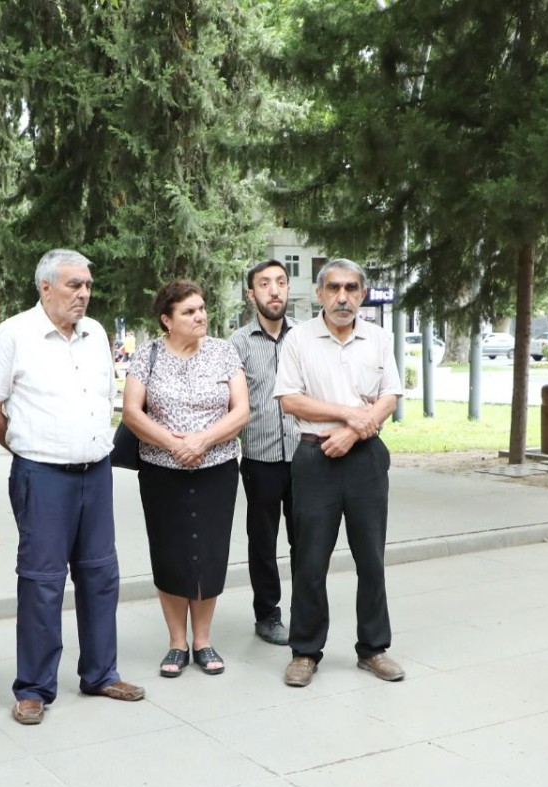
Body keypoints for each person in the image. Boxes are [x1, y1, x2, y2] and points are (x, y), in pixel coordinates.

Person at [0, 249, 145, 724]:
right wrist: (31, 450)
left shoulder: (95, 335)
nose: (84, 294)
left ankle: (100, 673)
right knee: (42, 582)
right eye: (74, 285)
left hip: (95, 474)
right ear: (46, 287)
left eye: (88, 285)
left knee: (100, 575)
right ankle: (33, 688)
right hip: (43, 476)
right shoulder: (12, 335)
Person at [273, 258, 404, 688]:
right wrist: (352, 416)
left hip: (366, 459)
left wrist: (353, 433)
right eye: (333, 288)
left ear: (363, 294)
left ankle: (373, 649)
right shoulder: (298, 341)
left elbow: (390, 395)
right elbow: (290, 400)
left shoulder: (379, 339)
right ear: (319, 294)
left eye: (351, 288)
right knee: (310, 560)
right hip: (315, 460)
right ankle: (305, 651)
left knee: (371, 558)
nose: (342, 296)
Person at [122, 281, 248, 677]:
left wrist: (203, 440)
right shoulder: (149, 355)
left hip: (217, 467)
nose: (200, 316)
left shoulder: (223, 351)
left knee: (210, 552)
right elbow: (132, 412)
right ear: (167, 320)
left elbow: (241, 410)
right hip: (162, 471)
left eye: (202, 308)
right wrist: (172, 444)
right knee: (170, 552)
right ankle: (177, 642)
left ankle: (203, 641)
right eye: (189, 312)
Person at [229, 259, 297, 645]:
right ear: (251, 293)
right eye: (265, 284)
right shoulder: (237, 344)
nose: (274, 290)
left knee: (306, 540)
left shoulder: (305, 338)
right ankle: (268, 615)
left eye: (281, 282)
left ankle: (305, 610)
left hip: (306, 457)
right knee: (263, 542)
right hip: (260, 460)